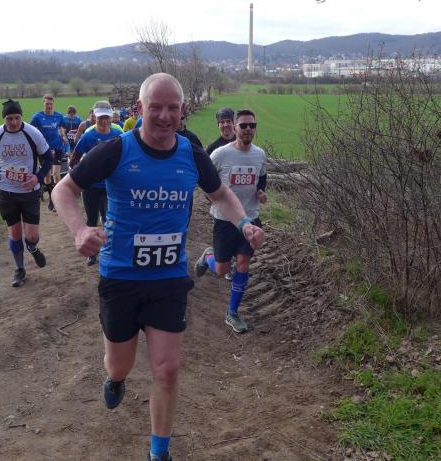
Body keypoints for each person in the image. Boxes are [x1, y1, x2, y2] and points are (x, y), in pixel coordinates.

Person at [52, 73, 265, 461]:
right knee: (119, 364)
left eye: (172, 108)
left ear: (182, 111)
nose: (165, 116)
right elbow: (63, 189)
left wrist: (244, 223)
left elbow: (220, 193)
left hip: (168, 279)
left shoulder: (192, 154)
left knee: (167, 370)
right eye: (156, 107)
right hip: (120, 278)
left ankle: (158, 452)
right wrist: (79, 229)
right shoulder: (117, 150)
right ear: (140, 108)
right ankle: (115, 379)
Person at [195, 109, 267, 333]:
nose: (248, 129)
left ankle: (232, 312)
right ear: (235, 128)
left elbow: (262, 176)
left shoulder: (260, 154)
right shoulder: (220, 154)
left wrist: (261, 191)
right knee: (221, 269)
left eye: (252, 126)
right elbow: (205, 179)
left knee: (243, 264)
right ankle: (208, 257)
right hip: (225, 221)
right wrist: (214, 198)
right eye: (243, 125)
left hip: (251, 218)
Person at [0, 99, 52, 287]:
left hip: (29, 192)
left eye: (17, 118)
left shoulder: (33, 133)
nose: (13, 122)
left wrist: (38, 178)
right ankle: (20, 269)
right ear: (4, 119)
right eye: (9, 118)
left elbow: (48, 158)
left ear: (21, 117)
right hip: (6, 192)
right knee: (14, 233)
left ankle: (32, 247)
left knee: (31, 236)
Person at [68, 101, 120, 266]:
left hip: (110, 187)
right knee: (91, 219)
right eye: (100, 117)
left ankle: (108, 251)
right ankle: (92, 253)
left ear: (111, 117)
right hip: (91, 187)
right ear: (94, 117)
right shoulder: (88, 137)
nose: (103, 121)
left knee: (108, 219)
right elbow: (74, 161)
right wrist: (83, 174)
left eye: (106, 117)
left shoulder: (118, 135)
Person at [30, 94, 67, 211]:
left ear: (53, 104)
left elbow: (61, 128)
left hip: (57, 148)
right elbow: (31, 130)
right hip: (43, 149)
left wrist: (63, 136)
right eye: (47, 104)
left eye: (51, 104)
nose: (49, 106)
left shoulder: (59, 116)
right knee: (47, 175)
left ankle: (57, 200)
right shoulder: (37, 117)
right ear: (43, 104)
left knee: (56, 174)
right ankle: (51, 198)